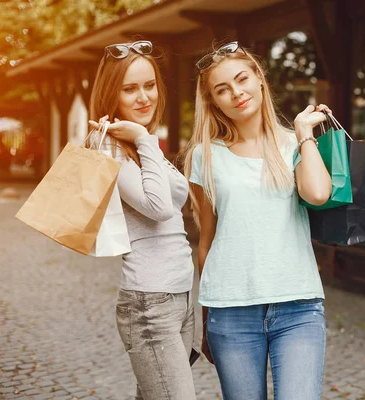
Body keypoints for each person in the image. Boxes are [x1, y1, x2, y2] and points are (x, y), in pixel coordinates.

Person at [183, 41, 331, 400]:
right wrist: (205, 318)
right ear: (214, 101)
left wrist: (304, 134)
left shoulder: (294, 144)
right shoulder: (204, 156)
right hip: (230, 312)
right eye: (222, 89)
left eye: (242, 79)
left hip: (298, 307)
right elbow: (207, 241)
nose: (236, 92)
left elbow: (318, 194)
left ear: (259, 80)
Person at [87, 40, 197, 400]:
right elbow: (159, 206)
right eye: (130, 88)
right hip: (150, 303)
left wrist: (143, 141)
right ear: (111, 93)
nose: (143, 97)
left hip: (178, 296)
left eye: (149, 85)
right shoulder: (109, 146)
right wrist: (144, 140)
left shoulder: (138, 143)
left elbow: (176, 200)